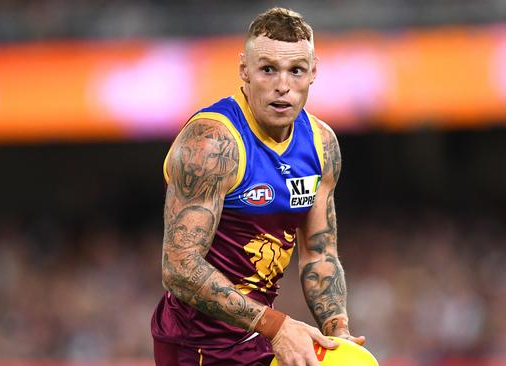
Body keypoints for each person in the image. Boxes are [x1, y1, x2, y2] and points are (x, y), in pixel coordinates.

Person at [151, 7, 365, 366]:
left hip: (260, 335)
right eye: (268, 69)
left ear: (313, 73)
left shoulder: (321, 145)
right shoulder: (213, 143)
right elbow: (180, 267)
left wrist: (337, 328)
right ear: (243, 71)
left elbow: (319, 253)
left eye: (295, 70)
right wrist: (277, 327)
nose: (283, 85)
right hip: (199, 345)